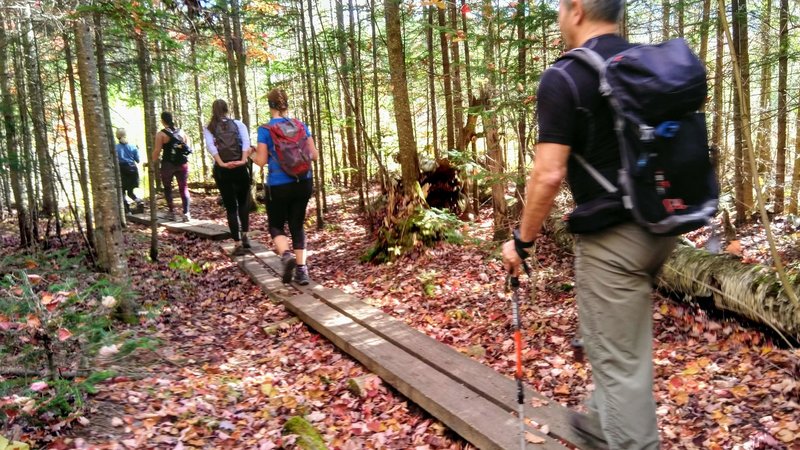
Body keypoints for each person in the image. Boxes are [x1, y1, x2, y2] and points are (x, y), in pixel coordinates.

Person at [501, 1, 677, 449]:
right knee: (614, 342)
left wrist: (522, 242)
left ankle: (626, 438)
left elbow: (548, 174)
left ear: (576, 10)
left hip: (613, 239)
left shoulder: (564, 77)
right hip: (662, 227)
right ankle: (601, 425)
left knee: (621, 364)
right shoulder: (642, 64)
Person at [252, 89, 318, 285]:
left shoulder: (265, 130)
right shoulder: (300, 125)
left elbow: (262, 161)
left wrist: (250, 155)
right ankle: (302, 271)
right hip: (303, 181)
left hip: (279, 185)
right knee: (297, 225)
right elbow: (314, 155)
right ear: (286, 104)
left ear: (270, 106)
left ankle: (286, 255)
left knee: (276, 225)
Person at [203, 99, 252, 255]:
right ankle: (245, 236)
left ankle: (237, 244)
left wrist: (222, 163)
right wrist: (243, 160)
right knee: (243, 203)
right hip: (240, 168)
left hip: (223, 171)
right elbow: (246, 142)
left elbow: (211, 147)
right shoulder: (238, 124)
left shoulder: (209, 127)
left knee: (231, 207)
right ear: (227, 109)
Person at [152, 112, 192, 222]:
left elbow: (157, 150)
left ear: (162, 121)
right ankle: (186, 213)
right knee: (183, 188)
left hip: (167, 164)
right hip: (182, 163)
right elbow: (187, 147)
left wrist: (152, 162)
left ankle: (171, 213)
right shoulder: (181, 132)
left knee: (167, 188)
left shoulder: (161, 134)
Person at [115, 128, 144, 214]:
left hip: (122, 170)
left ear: (117, 136)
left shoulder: (115, 148)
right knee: (130, 192)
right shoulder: (133, 147)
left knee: (122, 192)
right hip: (133, 170)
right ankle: (139, 202)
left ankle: (127, 211)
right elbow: (138, 160)